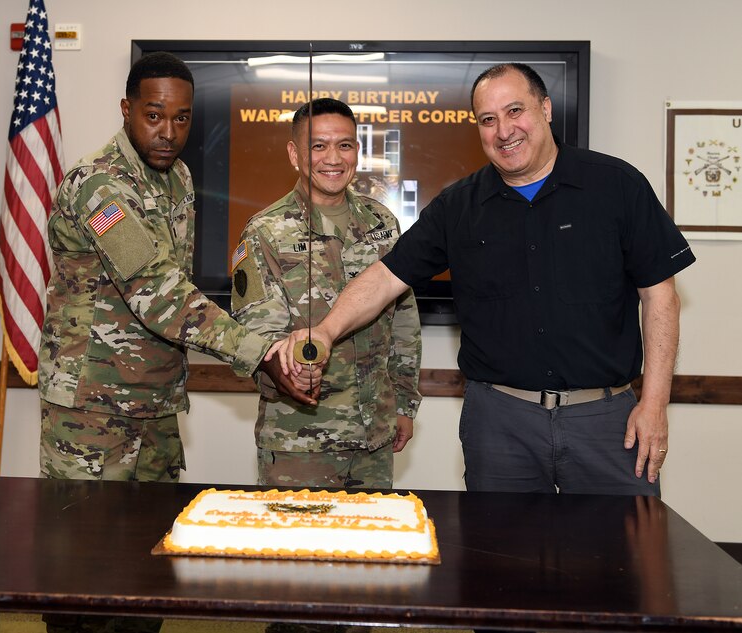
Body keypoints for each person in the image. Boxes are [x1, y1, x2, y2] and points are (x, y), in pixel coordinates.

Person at [275, 63, 695, 498]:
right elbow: (384, 277)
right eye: (488, 119)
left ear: (546, 109)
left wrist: (655, 404)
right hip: (500, 424)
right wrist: (325, 330)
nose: (504, 130)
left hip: (609, 421)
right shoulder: (457, 206)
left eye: (516, 111)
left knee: (621, 558)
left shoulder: (617, 185)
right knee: (499, 561)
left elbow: (661, 296)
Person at [37, 52, 314, 633]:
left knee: (149, 569)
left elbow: (178, 287)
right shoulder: (100, 185)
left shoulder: (179, 178)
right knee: (81, 577)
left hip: (157, 404)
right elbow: (159, 294)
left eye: (182, 118)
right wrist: (260, 351)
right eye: (154, 115)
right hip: (93, 411)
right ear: (127, 110)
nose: (168, 133)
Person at [231, 98, 422, 491]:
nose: (333, 158)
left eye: (345, 145)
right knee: (300, 552)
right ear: (294, 153)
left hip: (375, 437)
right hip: (300, 443)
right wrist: (295, 369)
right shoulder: (265, 231)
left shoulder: (382, 223)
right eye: (318, 146)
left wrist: (404, 404)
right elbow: (258, 337)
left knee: (373, 550)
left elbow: (404, 319)